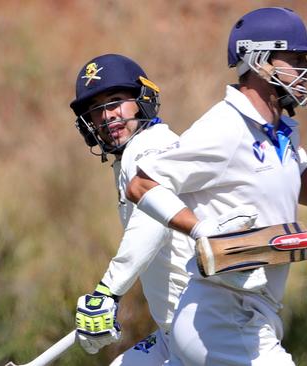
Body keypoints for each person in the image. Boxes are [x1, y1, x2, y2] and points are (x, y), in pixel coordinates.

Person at [126, 7, 307, 366]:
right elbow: (141, 183)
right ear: (259, 60)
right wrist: (201, 229)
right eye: (295, 58)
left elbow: (293, 169)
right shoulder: (226, 127)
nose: (306, 69)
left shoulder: (280, 130)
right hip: (219, 316)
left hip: (255, 314)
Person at [69, 53, 199, 365]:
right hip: (175, 331)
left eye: (115, 101)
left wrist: (107, 292)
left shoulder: (147, 148)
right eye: (95, 111)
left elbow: (153, 220)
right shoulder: (131, 156)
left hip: (203, 326)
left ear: (143, 100)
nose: (107, 116)